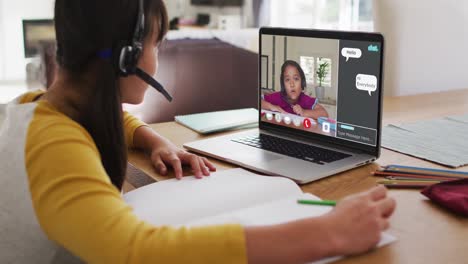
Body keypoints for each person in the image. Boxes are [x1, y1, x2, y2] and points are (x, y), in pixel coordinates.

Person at [0, 0, 396, 263]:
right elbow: (135, 253)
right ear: (128, 56)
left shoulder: (38, 108)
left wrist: (152, 138)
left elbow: (102, 117)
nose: (157, 59)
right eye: (158, 44)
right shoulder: (55, 146)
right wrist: (328, 233)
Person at [262, 60, 329, 119]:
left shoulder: (305, 99)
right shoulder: (277, 97)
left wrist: (304, 112)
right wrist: (273, 107)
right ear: (283, 84)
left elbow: (324, 114)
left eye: (296, 79)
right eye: (287, 80)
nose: (292, 84)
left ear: (302, 82)